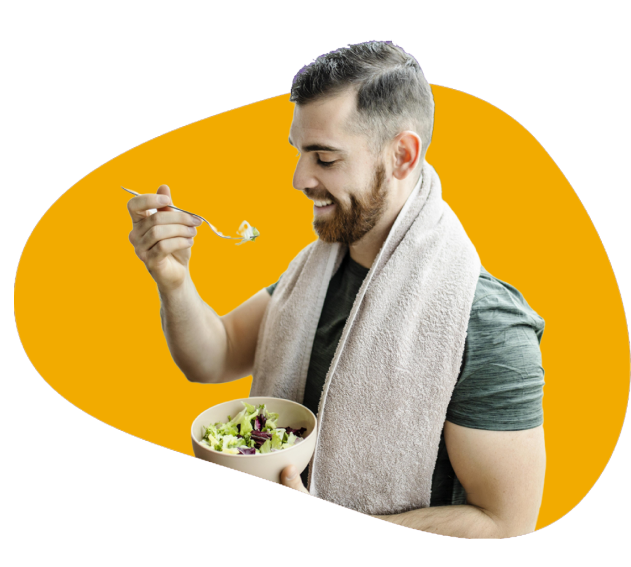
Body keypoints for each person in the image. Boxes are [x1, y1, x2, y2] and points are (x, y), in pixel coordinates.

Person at [126, 41, 546, 538]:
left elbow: (506, 523)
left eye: (324, 158)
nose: (300, 179)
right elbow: (212, 358)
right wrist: (173, 280)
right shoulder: (315, 271)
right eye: (301, 153)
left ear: (402, 156)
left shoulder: (485, 323)